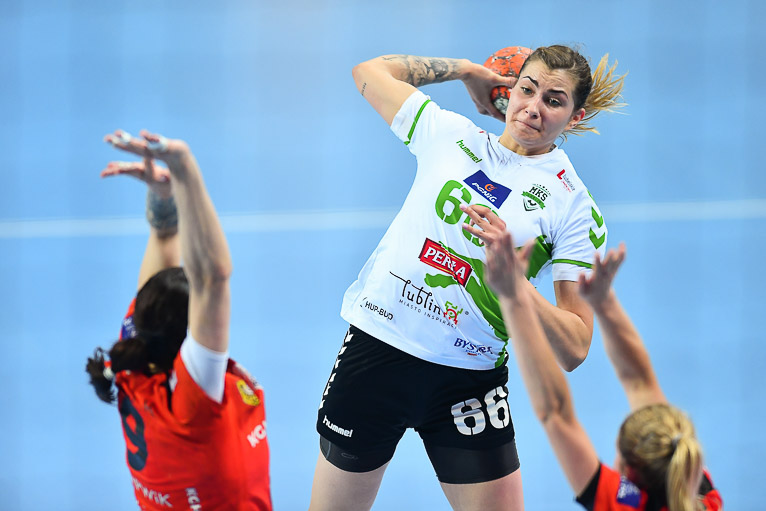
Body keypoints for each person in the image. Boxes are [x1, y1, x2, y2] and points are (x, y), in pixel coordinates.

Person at [310, 45, 625, 511]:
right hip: (378, 351)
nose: (533, 108)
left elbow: (575, 347)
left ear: (574, 117)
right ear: (509, 90)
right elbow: (369, 71)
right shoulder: (449, 134)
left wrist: (515, 280)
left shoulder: (573, 206)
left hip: (468, 383)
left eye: (553, 101)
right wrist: (465, 72)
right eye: (527, 89)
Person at [85, 130, 272, 511]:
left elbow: (163, 235)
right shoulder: (192, 398)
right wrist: (184, 168)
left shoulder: (136, 357)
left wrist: (163, 193)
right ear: (188, 338)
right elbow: (213, 277)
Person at [484, 234, 723, 510]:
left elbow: (557, 411)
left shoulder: (635, 503)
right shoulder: (700, 497)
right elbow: (637, 384)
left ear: (628, 474)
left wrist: (514, 297)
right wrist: (603, 302)